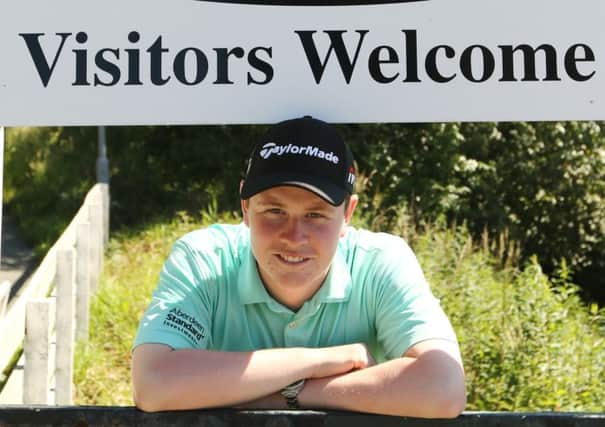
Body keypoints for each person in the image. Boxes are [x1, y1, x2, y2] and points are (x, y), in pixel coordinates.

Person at [131, 116, 466, 417]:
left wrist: (287, 393)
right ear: (246, 207)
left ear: (347, 214)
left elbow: (443, 386)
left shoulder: (381, 262)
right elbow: (153, 382)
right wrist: (321, 361)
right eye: (274, 211)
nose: (294, 236)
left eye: (315, 214)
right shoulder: (203, 258)